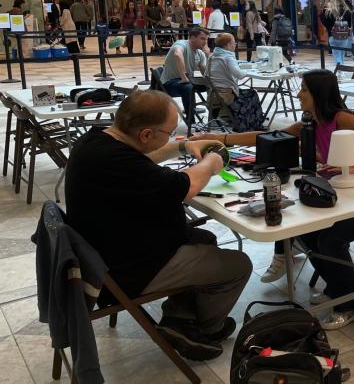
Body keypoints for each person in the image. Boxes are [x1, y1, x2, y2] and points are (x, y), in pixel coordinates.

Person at [191, 70, 354, 329]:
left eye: (303, 89)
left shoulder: (343, 119)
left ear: (317, 94)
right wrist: (215, 139)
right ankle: (340, 288)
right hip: (351, 190)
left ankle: (351, 304)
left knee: (330, 239)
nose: (298, 94)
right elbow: (264, 136)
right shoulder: (310, 123)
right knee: (310, 233)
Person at [65, 90, 252, 360]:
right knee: (238, 266)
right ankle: (207, 329)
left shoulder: (97, 143)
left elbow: (143, 160)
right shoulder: (121, 163)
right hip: (125, 271)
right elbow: (184, 186)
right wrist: (211, 162)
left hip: (110, 250)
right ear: (146, 135)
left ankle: (179, 320)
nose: (172, 134)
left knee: (204, 239)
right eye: (170, 131)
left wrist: (182, 145)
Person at [160, 27, 210, 120]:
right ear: (192, 38)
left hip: (187, 81)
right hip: (170, 83)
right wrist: (183, 76)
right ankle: (191, 120)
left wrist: (208, 56)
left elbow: (206, 73)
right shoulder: (181, 44)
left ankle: (215, 115)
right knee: (187, 87)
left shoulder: (200, 53)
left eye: (206, 39)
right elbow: (178, 54)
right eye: (202, 38)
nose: (205, 42)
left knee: (213, 84)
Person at [205, 33, 246, 112]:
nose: (235, 45)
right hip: (226, 95)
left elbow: (206, 74)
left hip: (212, 95)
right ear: (228, 45)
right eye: (234, 42)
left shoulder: (212, 56)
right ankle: (248, 121)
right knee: (251, 94)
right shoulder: (228, 57)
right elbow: (240, 75)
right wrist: (247, 71)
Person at [323, 0, 353, 68]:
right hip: (344, 36)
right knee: (342, 55)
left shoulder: (329, 12)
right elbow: (349, 25)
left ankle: (340, 71)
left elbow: (325, 23)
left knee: (336, 55)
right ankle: (341, 70)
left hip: (333, 36)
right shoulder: (347, 11)